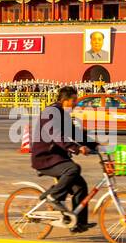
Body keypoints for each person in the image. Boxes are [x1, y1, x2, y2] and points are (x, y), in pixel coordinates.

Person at [30, 86, 97, 233]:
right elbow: (56, 135)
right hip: (45, 157)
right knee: (73, 168)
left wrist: (95, 145)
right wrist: (76, 148)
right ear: (64, 100)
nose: (75, 103)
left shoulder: (64, 114)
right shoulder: (52, 112)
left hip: (57, 157)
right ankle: (54, 196)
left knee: (81, 186)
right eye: (73, 100)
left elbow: (75, 132)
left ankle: (78, 223)